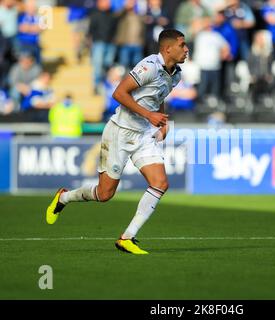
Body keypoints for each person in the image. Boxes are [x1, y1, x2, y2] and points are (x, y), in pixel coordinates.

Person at [46, 29, 189, 255]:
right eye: (182, 45)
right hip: (119, 133)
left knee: (160, 183)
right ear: (168, 48)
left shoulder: (176, 74)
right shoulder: (149, 66)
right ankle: (64, 196)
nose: (186, 49)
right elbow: (119, 93)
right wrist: (149, 115)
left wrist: (162, 121)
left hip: (143, 135)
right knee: (105, 194)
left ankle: (127, 238)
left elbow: (158, 97)